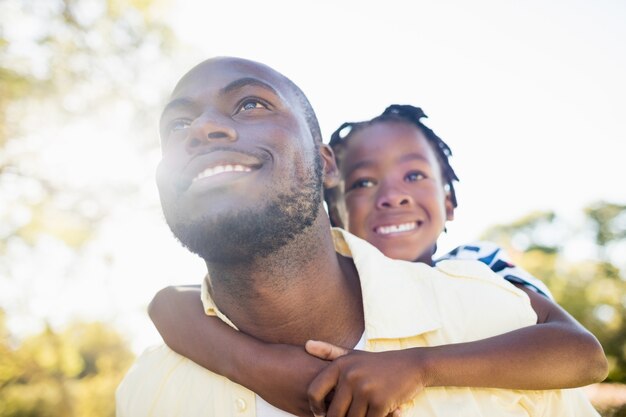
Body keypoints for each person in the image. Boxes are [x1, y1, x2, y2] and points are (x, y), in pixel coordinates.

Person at [116, 56, 604, 417]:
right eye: (365, 184)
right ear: (337, 198)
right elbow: (171, 303)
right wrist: (258, 365)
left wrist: (420, 366)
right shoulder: (153, 388)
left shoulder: (484, 285)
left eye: (249, 104)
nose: (391, 199)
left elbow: (582, 353)